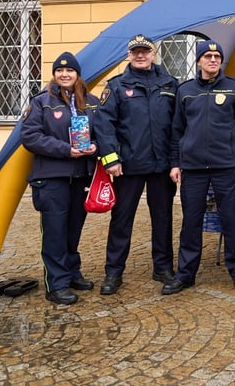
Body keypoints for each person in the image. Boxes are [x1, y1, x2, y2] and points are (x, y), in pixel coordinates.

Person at [162, 39, 235, 296]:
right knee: (191, 223)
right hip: (193, 169)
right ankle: (185, 274)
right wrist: (175, 163)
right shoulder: (186, 91)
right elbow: (176, 131)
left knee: (231, 222)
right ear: (199, 60)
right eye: (208, 57)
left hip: (227, 166)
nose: (213, 60)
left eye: (217, 57)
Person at [93, 35, 178, 295]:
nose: (140, 55)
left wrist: (176, 161)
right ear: (128, 55)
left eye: (145, 51)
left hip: (161, 165)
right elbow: (103, 125)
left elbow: (178, 126)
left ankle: (162, 267)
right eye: (135, 52)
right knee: (121, 220)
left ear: (154, 53)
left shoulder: (170, 84)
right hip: (127, 166)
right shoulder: (117, 86)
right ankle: (113, 271)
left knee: (162, 218)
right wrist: (111, 159)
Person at [20, 52, 100, 305]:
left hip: (81, 176)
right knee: (54, 233)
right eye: (59, 71)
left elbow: (105, 132)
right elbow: (30, 137)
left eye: (70, 71)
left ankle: (71, 272)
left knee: (73, 229)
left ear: (78, 75)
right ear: (54, 75)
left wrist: (95, 147)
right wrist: (66, 149)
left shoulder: (91, 102)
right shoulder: (42, 102)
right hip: (52, 178)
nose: (64, 75)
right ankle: (56, 284)